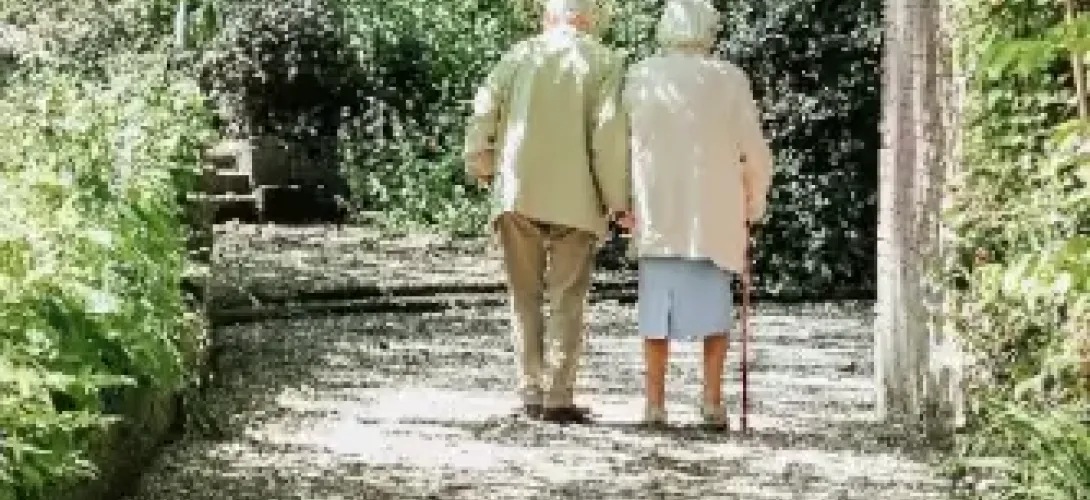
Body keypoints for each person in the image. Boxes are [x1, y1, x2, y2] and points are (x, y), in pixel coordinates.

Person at [463, 0, 629, 424]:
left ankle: (530, 390)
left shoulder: (519, 56)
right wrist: (617, 200)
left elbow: (483, 110)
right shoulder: (604, 61)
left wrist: (482, 165)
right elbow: (607, 134)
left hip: (519, 192)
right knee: (568, 297)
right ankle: (558, 396)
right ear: (588, 18)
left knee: (524, 295)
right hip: (577, 197)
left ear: (548, 17)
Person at [618, 0, 773, 429]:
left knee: (655, 313)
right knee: (715, 311)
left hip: (658, 207)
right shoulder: (729, 79)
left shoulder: (641, 75)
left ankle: (654, 403)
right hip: (714, 212)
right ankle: (711, 399)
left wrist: (621, 200)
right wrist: (755, 198)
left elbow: (620, 142)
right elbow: (754, 148)